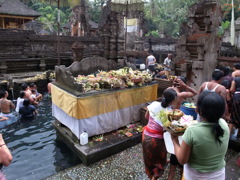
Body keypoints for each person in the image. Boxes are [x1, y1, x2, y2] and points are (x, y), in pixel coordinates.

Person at [171, 92, 230, 180]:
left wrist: (174, 140)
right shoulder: (224, 125)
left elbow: (182, 160)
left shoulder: (192, 131)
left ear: (198, 110)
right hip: (218, 176)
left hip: (195, 177)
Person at [142, 88, 177, 180]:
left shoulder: (153, 104)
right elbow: (168, 128)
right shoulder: (169, 112)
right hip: (156, 141)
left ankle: (150, 174)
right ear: (172, 101)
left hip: (146, 136)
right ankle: (154, 177)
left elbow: (146, 117)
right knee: (159, 161)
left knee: (149, 158)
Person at [167, 77, 198, 180]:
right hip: (177, 121)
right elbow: (195, 93)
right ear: (181, 84)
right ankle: (181, 171)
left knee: (171, 144)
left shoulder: (168, 90)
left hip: (168, 119)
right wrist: (185, 86)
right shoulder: (180, 95)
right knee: (179, 144)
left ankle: (171, 174)